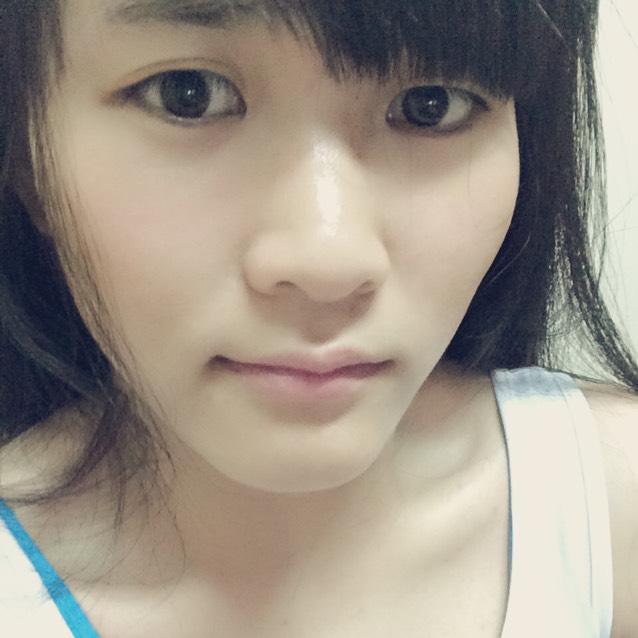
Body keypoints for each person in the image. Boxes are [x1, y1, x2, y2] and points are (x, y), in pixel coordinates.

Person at [0, 0, 637, 636]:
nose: (328, 261)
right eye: (186, 95)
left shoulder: (609, 503)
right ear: (28, 152)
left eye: (431, 105)